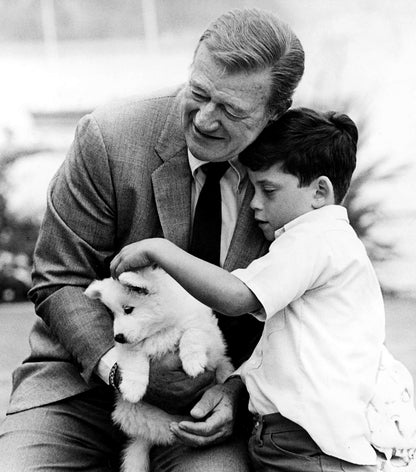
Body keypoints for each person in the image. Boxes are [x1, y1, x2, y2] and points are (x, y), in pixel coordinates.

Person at [0, 8, 305, 472]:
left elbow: (302, 314)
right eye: (198, 92)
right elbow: (57, 280)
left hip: (204, 405)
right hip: (79, 385)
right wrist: (121, 368)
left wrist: (236, 391)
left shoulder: (294, 177)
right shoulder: (108, 137)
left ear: (274, 113)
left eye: (231, 110)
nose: (204, 119)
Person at [110, 108, 386, 472]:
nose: (254, 203)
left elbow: (237, 296)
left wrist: (161, 251)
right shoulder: (333, 245)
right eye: (253, 188)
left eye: (268, 190)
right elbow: (279, 349)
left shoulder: (313, 240)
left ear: (320, 191)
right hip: (304, 437)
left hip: (306, 443)